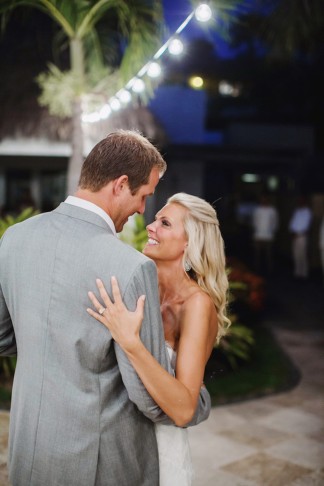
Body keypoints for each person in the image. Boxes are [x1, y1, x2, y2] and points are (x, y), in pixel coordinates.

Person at [0, 131, 211, 486]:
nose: (143, 211)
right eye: (144, 197)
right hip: (99, 465)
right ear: (121, 184)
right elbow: (148, 400)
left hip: (28, 450)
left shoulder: (15, 238)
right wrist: (196, 401)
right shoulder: (129, 268)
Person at [87, 192, 231, 485]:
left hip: (161, 450)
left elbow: (183, 409)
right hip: (119, 444)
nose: (150, 226)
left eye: (164, 223)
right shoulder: (139, 288)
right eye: (155, 219)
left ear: (189, 243)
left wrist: (131, 343)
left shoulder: (196, 305)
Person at [251, 194, 279, 273]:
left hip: (269, 236)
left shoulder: (272, 210)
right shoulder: (257, 210)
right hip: (258, 236)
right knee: (257, 255)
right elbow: (254, 222)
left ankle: (270, 271)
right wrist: (257, 231)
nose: (263, 201)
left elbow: (275, 223)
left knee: (269, 255)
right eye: (262, 199)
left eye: (265, 199)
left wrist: (272, 232)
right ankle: (257, 271)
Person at [288, 196, 313, 278]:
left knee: (302, 256)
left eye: (301, 200)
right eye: (299, 200)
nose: (299, 202)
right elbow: (292, 223)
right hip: (294, 235)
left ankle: (304, 274)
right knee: (296, 255)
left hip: (302, 236)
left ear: (305, 201)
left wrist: (298, 234)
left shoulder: (307, 212)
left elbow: (306, 226)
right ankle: (297, 273)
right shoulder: (297, 211)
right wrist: (292, 232)